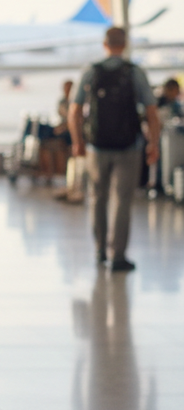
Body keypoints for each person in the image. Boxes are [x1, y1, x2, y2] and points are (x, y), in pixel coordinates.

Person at [68, 26, 160, 272]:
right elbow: (151, 111)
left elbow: (74, 110)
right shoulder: (134, 72)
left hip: (96, 147)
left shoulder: (91, 71)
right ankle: (118, 256)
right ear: (125, 43)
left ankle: (100, 251)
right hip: (129, 146)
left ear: (104, 44)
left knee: (97, 198)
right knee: (122, 200)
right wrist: (154, 144)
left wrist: (78, 141)